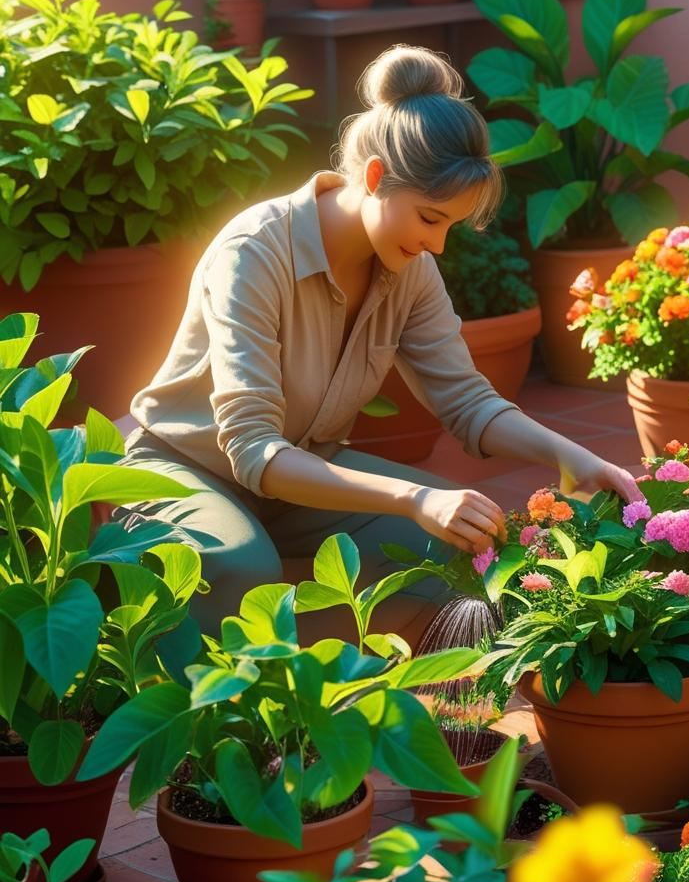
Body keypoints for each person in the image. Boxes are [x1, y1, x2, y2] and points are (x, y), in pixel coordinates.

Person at [118, 44, 639, 634]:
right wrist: (412, 498)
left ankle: (430, 703)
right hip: (188, 465)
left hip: (301, 473)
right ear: (373, 178)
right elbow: (252, 448)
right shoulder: (254, 254)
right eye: (429, 218)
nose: (438, 245)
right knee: (240, 565)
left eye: (450, 226)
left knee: (469, 535)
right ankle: (240, 714)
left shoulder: (408, 269)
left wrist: (574, 457)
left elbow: (465, 400)